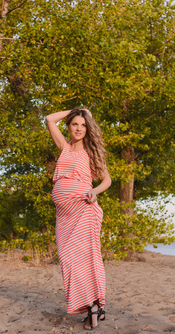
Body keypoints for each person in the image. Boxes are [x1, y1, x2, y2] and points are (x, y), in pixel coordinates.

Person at [46, 108, 111, 330]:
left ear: (88, 128)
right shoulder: (63, 147)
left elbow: (107, 180)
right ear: (69, 126)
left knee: (84, 259)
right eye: (75, 124)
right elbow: (49, 119)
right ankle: (94, 308)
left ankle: (93, 308)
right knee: (67, 259)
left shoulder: (91, 153)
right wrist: (78, 111)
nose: (79, 129)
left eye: (83, 125)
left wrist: (95, 191)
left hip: (85, 210)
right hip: (64, 215)